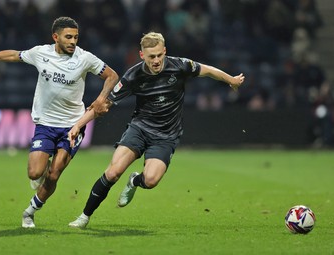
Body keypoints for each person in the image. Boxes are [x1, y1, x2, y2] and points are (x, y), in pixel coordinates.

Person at [67, 32, 245, 228]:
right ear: (142, 55)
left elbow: (208, 70)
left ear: (165, 51)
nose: (157, 60)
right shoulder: (133, 75)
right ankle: (84, 217)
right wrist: (78, 125)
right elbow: (104, 105)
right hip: (140, 129)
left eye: (160, 55)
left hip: (166, 136)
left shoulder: (179, 65)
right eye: (152, 56)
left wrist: (231, 80)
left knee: (150, 180)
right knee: (113, 173)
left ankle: (135, 181)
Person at [0, 17, 119, 228]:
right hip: (45, 123)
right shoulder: (40, 53)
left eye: (76, 37)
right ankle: (43, 167)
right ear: (56, 37)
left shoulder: (85, 58)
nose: (73, 41)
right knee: (35, 173)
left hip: (73, 125)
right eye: (68, 37)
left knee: (54, 174)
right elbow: (13, 55)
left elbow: (112, 76)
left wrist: (100, 99)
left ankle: (29, 212)